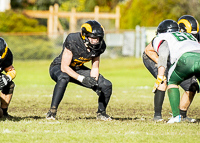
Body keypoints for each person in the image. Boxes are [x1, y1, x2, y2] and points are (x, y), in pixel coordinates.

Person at [46, 20, 112, 121]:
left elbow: (95, 66)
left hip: (77, 68)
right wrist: (82, 78)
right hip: (59, 67)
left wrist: (93, 81)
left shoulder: (100, 46)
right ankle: (52, 112)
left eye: (98, 38)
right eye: (93, 38)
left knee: (106, 85)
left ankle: (101, 113)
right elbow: (64, 67)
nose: (96, 41)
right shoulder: (73, 40)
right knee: (64, 77)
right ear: (84, 36)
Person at [143, 16, 199, 122]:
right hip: (153, 56)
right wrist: (161, 72)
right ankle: (157, 116)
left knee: (192, 85)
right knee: (163, 81)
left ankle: (181, 116)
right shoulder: (169, 37)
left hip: (180, 59)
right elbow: (157, 53)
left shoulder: (169, 36)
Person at [0, 37, 16, 118]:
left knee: (9, 84)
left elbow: (11, 70)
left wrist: (7, 78)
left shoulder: (6, 55)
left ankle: (4, 112)